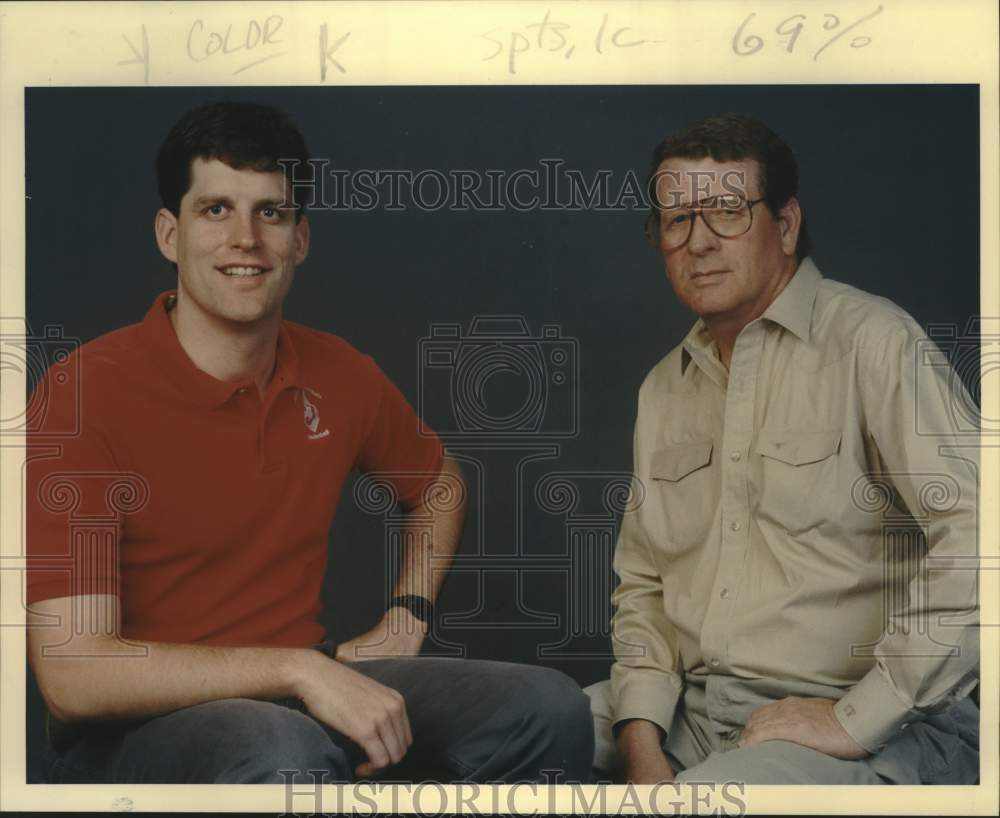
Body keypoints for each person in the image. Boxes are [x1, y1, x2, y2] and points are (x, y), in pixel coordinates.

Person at [26, 100, 593, 785]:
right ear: (170, 235)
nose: (246, 239)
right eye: (216, 210)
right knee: (282, 749)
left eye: (270, 212)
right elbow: (74, 675)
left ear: (299, 239)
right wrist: (299, 669)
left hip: (296, 697)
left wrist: (406, 615)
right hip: (128, 736)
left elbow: (439, 483)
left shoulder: (337, 373)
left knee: (548, 708)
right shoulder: (84, 394)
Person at [586, 113, 979, 785]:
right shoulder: (663, 390)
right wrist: (641, 742)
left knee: (714, 798)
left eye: (727, 211)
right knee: (524, 730)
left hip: (872, 726)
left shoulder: (874, 343)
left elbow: (982, 533)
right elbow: (644, 587)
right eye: (677, 219)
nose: (699, 241)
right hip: (693, 714)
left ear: (787, 225)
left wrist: (855, 719)